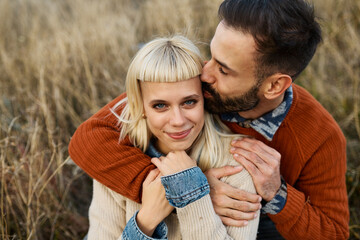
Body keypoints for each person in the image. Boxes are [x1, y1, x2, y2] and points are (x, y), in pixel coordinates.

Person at [69, 0, 349, 239]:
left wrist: (277, 194)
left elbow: (334, 233)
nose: (205, 73)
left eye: (224, 70)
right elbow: (89, 138)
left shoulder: (319, 136)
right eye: (212, 56)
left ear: (274, 86)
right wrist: (185, 188)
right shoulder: (197, 85)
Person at [86, 35, 260, 239]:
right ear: (141, 107)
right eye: (160, 105)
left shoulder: (236, 164)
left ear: (204, 100)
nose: (178, 120)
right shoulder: (117, 159)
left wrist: (192, 191)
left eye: (189, 102)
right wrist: (145, 221)